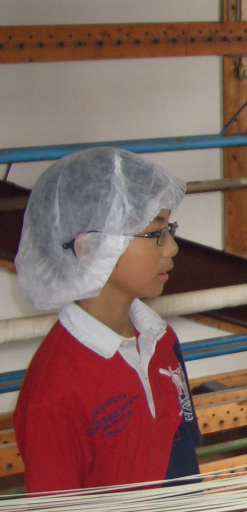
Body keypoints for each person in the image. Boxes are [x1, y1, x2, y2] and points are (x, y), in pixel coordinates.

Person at [14, 147, 202, 493]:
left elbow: (182, 454)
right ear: (90, 249)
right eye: (156, 233)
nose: (172, 247)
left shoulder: (161, 340)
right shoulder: (53, 391)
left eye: (169, 228)